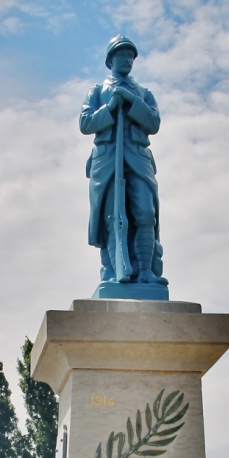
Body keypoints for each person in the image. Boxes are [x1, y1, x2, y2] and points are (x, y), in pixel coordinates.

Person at [80, 35, 166, 288]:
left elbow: (153, 123)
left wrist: (131, 102)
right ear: (111, 60)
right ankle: (112, 270)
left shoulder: (143, 93)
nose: (127, 59)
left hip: (138, 157)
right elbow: (85, 123)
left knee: (145, 213)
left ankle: (145, 271)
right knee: (111, 215)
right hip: (107, 159)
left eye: (130, 56)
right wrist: (109, 107)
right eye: (121, 55)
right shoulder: (97, 91)